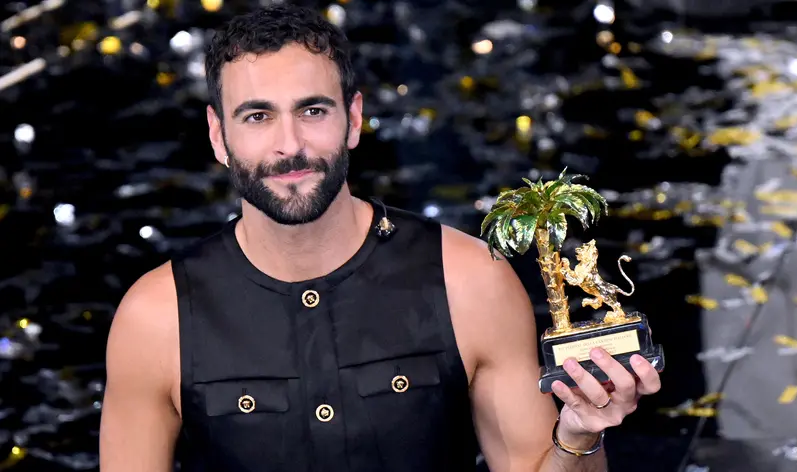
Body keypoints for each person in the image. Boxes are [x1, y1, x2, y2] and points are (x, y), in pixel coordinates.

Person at [99, 4, 661, 472]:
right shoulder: (156, 317)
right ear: (219, 136)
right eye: (257, 117)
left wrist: (581, 433)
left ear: (355, 118)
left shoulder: (469, 281)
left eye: (313, 110)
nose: (289, 145)